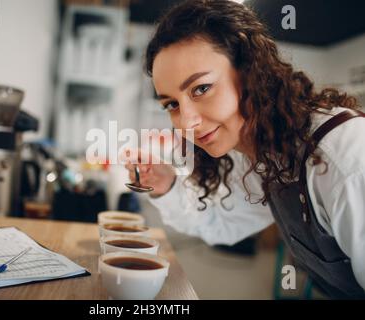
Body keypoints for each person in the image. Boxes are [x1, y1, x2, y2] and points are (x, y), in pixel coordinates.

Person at [124, 0, 365, 298]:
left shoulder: (344, 158)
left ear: (251, 72)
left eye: (201, 88)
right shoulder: (260, 154)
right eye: (172, 104)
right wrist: (167, 183)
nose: (186, 121)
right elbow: (222, 224)